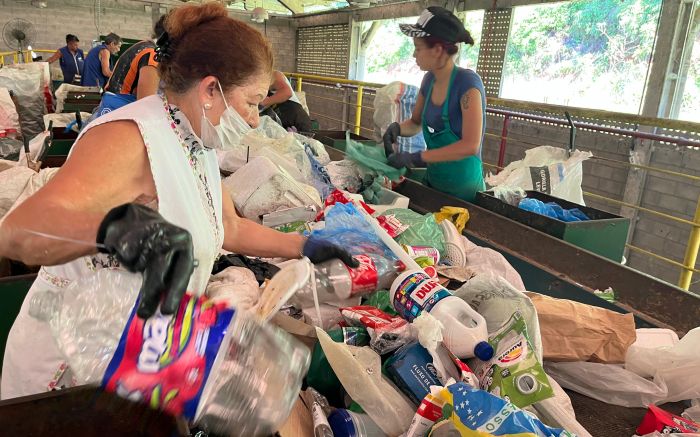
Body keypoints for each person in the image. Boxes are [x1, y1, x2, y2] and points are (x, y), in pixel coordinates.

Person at [0, 3, 355, 399]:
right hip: (71, 374)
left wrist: (305, 246)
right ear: (210, 90)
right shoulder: (132, 138)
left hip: (132, 355)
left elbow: (231, 228)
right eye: (253, 102)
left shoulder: (197, 140)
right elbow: (15, 234)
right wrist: (113, 229)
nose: (256, 118)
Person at [383, 7, 486, 202]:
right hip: (434, 182)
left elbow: (470, 145)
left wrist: (416, 157)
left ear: (438, 50)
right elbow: (415, 122)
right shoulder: (428, 81)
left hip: (463, 192)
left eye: (418, 48)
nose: (414, 54)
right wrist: (396, 128)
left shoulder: (467, 85)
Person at [91, 17, 166, 118]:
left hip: (111, 105)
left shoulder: (142, 45)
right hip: (120, 110)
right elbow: (146, 106)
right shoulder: (153, 55)